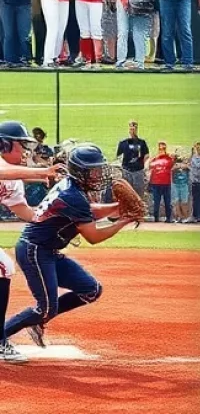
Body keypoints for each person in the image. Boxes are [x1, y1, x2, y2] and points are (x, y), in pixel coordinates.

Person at [4, 143, 137, 350]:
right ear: (80, 172)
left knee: (90, 290)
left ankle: (36, 320)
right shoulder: (73, 196)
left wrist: (118, 208)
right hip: (35, 251)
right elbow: (93, 236)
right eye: (93, 170)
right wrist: (123, 221)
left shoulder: (72, 187)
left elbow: (89, 211)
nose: (98, 174)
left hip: (47, 250)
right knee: (46, 308)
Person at [0, 121, 62, 363]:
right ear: (3, 144)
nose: (25, 151)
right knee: (3, 266)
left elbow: (26, 213)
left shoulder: (14, 180)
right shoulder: (8, 171)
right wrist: (41, 172)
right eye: (21, 144)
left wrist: (59, 216)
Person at [115, 121, 149, 198]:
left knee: (139, 194)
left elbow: (146, 155)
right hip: (127, 171)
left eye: (134, 129)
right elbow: (118, 156)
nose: (133, 131)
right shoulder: (123, 142)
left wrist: (141, 164)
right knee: (127, 193)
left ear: (137, 129)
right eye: (131, 129)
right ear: (129, 129)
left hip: (138, 172)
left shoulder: (142, 142)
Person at [147, 140, 174, 223]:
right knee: (156, 202)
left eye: (163, 148)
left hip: (166, 183)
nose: (161, 149)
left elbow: (171, 165)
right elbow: (149, 166)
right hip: (156, 183)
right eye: (160, 148)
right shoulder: (155, 159)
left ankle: (169, 218)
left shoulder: (169, 158)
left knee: (167, 201)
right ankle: (156, 218)